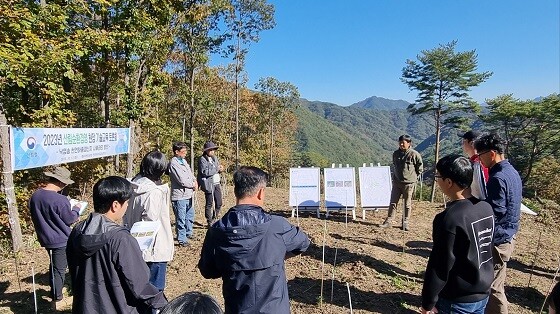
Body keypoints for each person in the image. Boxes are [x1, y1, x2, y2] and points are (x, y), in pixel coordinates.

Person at [198, 166, 310, 314]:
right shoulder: (277, 227)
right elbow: (303, 243)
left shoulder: (217, 231)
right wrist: (278, 255)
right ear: (261, 192)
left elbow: (207, 270)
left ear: (235, 191)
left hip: (236, 309)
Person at [67, 176, 167, 313]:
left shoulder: (77, 231)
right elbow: (139, 285)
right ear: (115, 205)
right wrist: (162, 303)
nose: (127, 206)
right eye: (126, 203)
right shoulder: (121, 239)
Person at [421, 154, 495, 314]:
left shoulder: (449, 218)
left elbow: (440, 265)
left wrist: (427, 302)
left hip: (457, 299)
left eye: (438, 176)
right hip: (482, 292)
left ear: (448, 182)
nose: (436, 180)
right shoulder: (486, 208)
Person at [474, 133, 523, 314]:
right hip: (508, 235)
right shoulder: (511, 172)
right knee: (496, 283)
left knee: (492, 287)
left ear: (492, 153)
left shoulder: (497, 178)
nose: (479, 159)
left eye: (481, 155)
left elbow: (495, 212)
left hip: (498, 239)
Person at [123, 151, 174, 291]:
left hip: (134, 244)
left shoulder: (134, 184)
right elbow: (150, 222)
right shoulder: (154, 192)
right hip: (153, 248)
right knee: (154, 290)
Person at [28, 166, 79, 305]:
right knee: (59, 269)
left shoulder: (36, 195)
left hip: (45, 237)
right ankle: (58, 298)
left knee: (54, 265)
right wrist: (76, 209)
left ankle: (54, 291)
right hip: (61, 239)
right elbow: (70, 219)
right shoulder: (60, 200)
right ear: (61, 183)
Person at [380, 134, 423, 231]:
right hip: (397, 182)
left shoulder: (414, 154)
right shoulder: (395, 153)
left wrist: (413, 178)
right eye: (400, 143)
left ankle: (405, 222)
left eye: (403, 143)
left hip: (409, 183)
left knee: (406, 204)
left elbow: (419, 168)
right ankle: (389, 221)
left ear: (409, 143)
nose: (401, 145)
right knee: (393, 202)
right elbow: (395, 165)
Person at [168, 142, 197, 247]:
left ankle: (188, 233)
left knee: (189, 215)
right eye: (183, 152)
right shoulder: (173, 163)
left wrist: (195, 181)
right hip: (179, 196)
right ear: (176, 152)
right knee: (180, 217)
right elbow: (181, 180)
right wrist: (192, 184)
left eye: (186, 151)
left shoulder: (183, 161)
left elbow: (190, 173)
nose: (185, 153)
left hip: (188, 194)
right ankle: (182, 239)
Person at [197, 141, 224, 227]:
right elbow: (205, 172)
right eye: (210, 150)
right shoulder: (202, 159)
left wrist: (220, 169)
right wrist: (216, 168)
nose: (212, 151)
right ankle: (209, 221)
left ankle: (214, 217)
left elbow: (216, 168)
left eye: (213, 150)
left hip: (216, 182)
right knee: (209, 203)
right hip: (208, 184)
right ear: (206, 151)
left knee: (219, 202)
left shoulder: (214, 158)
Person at [461, 130, 489, 200]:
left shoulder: (477, 164)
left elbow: (481, 190)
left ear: (471, 143)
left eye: (463, 141)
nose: (462, 145)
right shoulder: (484, 161)